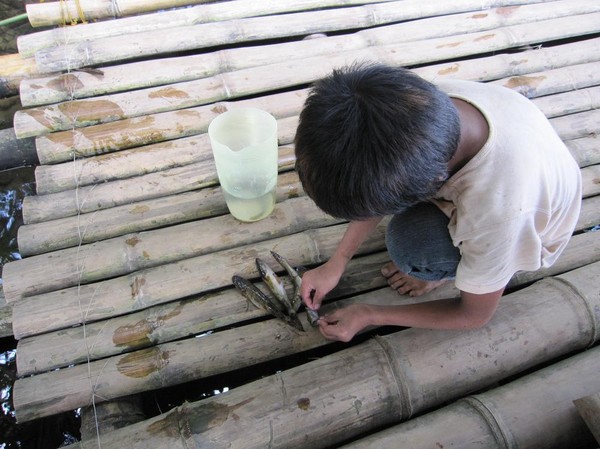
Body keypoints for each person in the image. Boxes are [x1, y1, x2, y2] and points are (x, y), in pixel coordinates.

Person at [294, 62, 581, 342]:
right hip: (507, 164)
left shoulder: (501, 214)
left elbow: (473, 315)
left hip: (529, 223)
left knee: (410, 247)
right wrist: (337, 262)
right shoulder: (412, 105)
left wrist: (369, 314)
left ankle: (438, 275)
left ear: (431, 184)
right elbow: (374, 170)